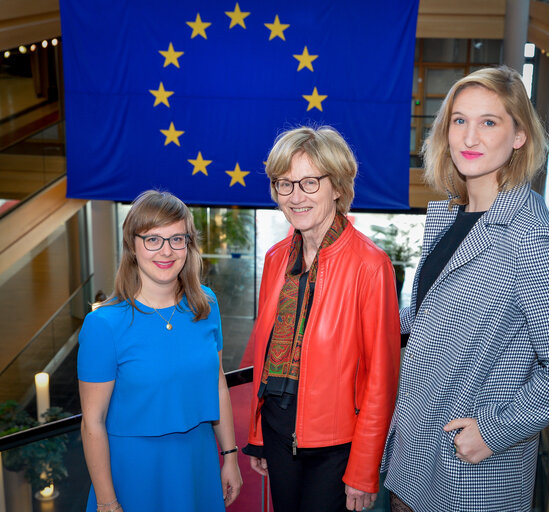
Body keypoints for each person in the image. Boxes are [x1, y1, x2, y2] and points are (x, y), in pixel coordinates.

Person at [382, 66, 549, 512]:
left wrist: (492, 431)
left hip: (467, 476)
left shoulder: (527, 234)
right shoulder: (455, 217)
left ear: (519, 135)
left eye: (489, 122)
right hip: (415, 459)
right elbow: (432, 317)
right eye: (459, 121)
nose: (469, 137)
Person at [243, 126, 401, 512]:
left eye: (309, 182)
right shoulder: (276, 258)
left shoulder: (371, 265)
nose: (295, 196)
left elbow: (381, 379)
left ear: (337, 187)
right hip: (279, 434)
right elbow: (265, 359)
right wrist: (260, 433)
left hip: (335, 449)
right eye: (285, 183)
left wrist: (364, 469)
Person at [78, 190, 242, 512]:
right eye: (153, 239)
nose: (166, 251)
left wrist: (230, 456)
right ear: (132, 245)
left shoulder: (206, 305)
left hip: (198, 461)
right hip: (134, 472)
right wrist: (107, 501)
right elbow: (92, 422)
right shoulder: (104, 325)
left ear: (188, 244)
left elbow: (217, 383)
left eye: (177, 239)